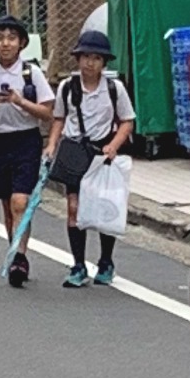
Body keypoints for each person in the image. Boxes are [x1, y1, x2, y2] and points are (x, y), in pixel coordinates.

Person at [44, 28, 135, 289]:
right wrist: (52, 144)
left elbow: (127, 120)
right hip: (74, 151)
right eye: (85, 57)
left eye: (96, 58)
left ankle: (106, 261)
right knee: (74, 208)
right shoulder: (67, 87)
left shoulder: (114, 88)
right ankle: (78, 264)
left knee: (105, 208)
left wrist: (114, 145)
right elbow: (59, 118)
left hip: (102, 154)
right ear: (78, 59)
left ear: (104, 62)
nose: (90, 63)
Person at [0, 14, 53, 289]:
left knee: (21, 202)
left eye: (12, 38)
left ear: (21, 43)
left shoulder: (31, 73)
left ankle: (20, 256)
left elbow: (47, 112)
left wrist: (19, 101)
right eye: (0, 38)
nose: (6, 44)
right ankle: (14, 251)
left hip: (26, 141)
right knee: (7, 204)